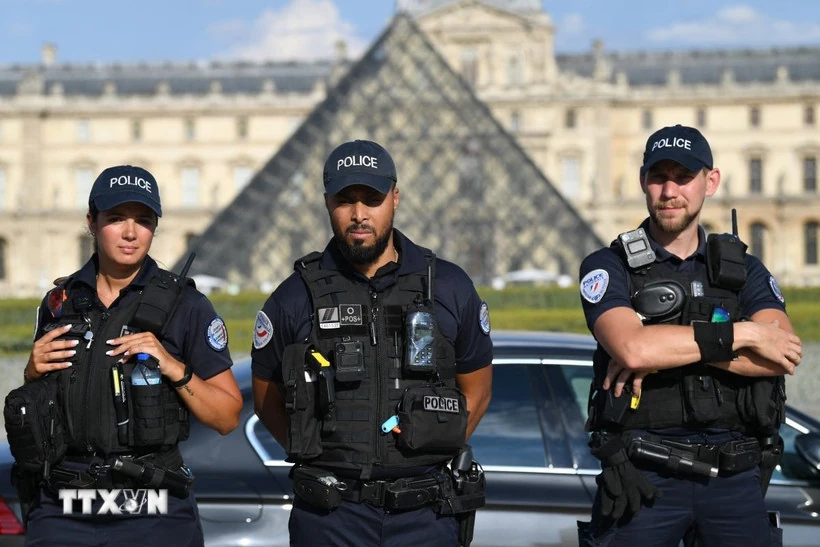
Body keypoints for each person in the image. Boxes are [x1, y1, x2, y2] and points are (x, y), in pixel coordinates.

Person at [251, 139, 493, 547]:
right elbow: (266, 399)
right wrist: (322, 455)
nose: (359, 214)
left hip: (426, 515)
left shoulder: (450, 286)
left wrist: (427, 444)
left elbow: (478, 391)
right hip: (330, 517)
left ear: (395, 198)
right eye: (346, 200)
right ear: (328, 202)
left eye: (373, 199)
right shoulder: (294, 296)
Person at [577, 125, 803, 547]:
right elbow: (633, 349)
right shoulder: (608, 265)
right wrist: (743, 333)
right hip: (643, 480)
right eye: (659, 176)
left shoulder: (744, 270)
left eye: (683, 177)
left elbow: (782, 355)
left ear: (710, 182)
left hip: (735, 480)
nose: (669, 191)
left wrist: (667, 344)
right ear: (643, 181)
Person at [8, 165, 242, 546]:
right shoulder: (58, 303)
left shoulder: (188, 306)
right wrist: (31, 373)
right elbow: (44, 407)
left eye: (144, 220)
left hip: (152, 510)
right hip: (64, 508)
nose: (131, 233)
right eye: (116, 218)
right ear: (91, 221)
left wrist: (172, 366)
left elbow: (228, 416)